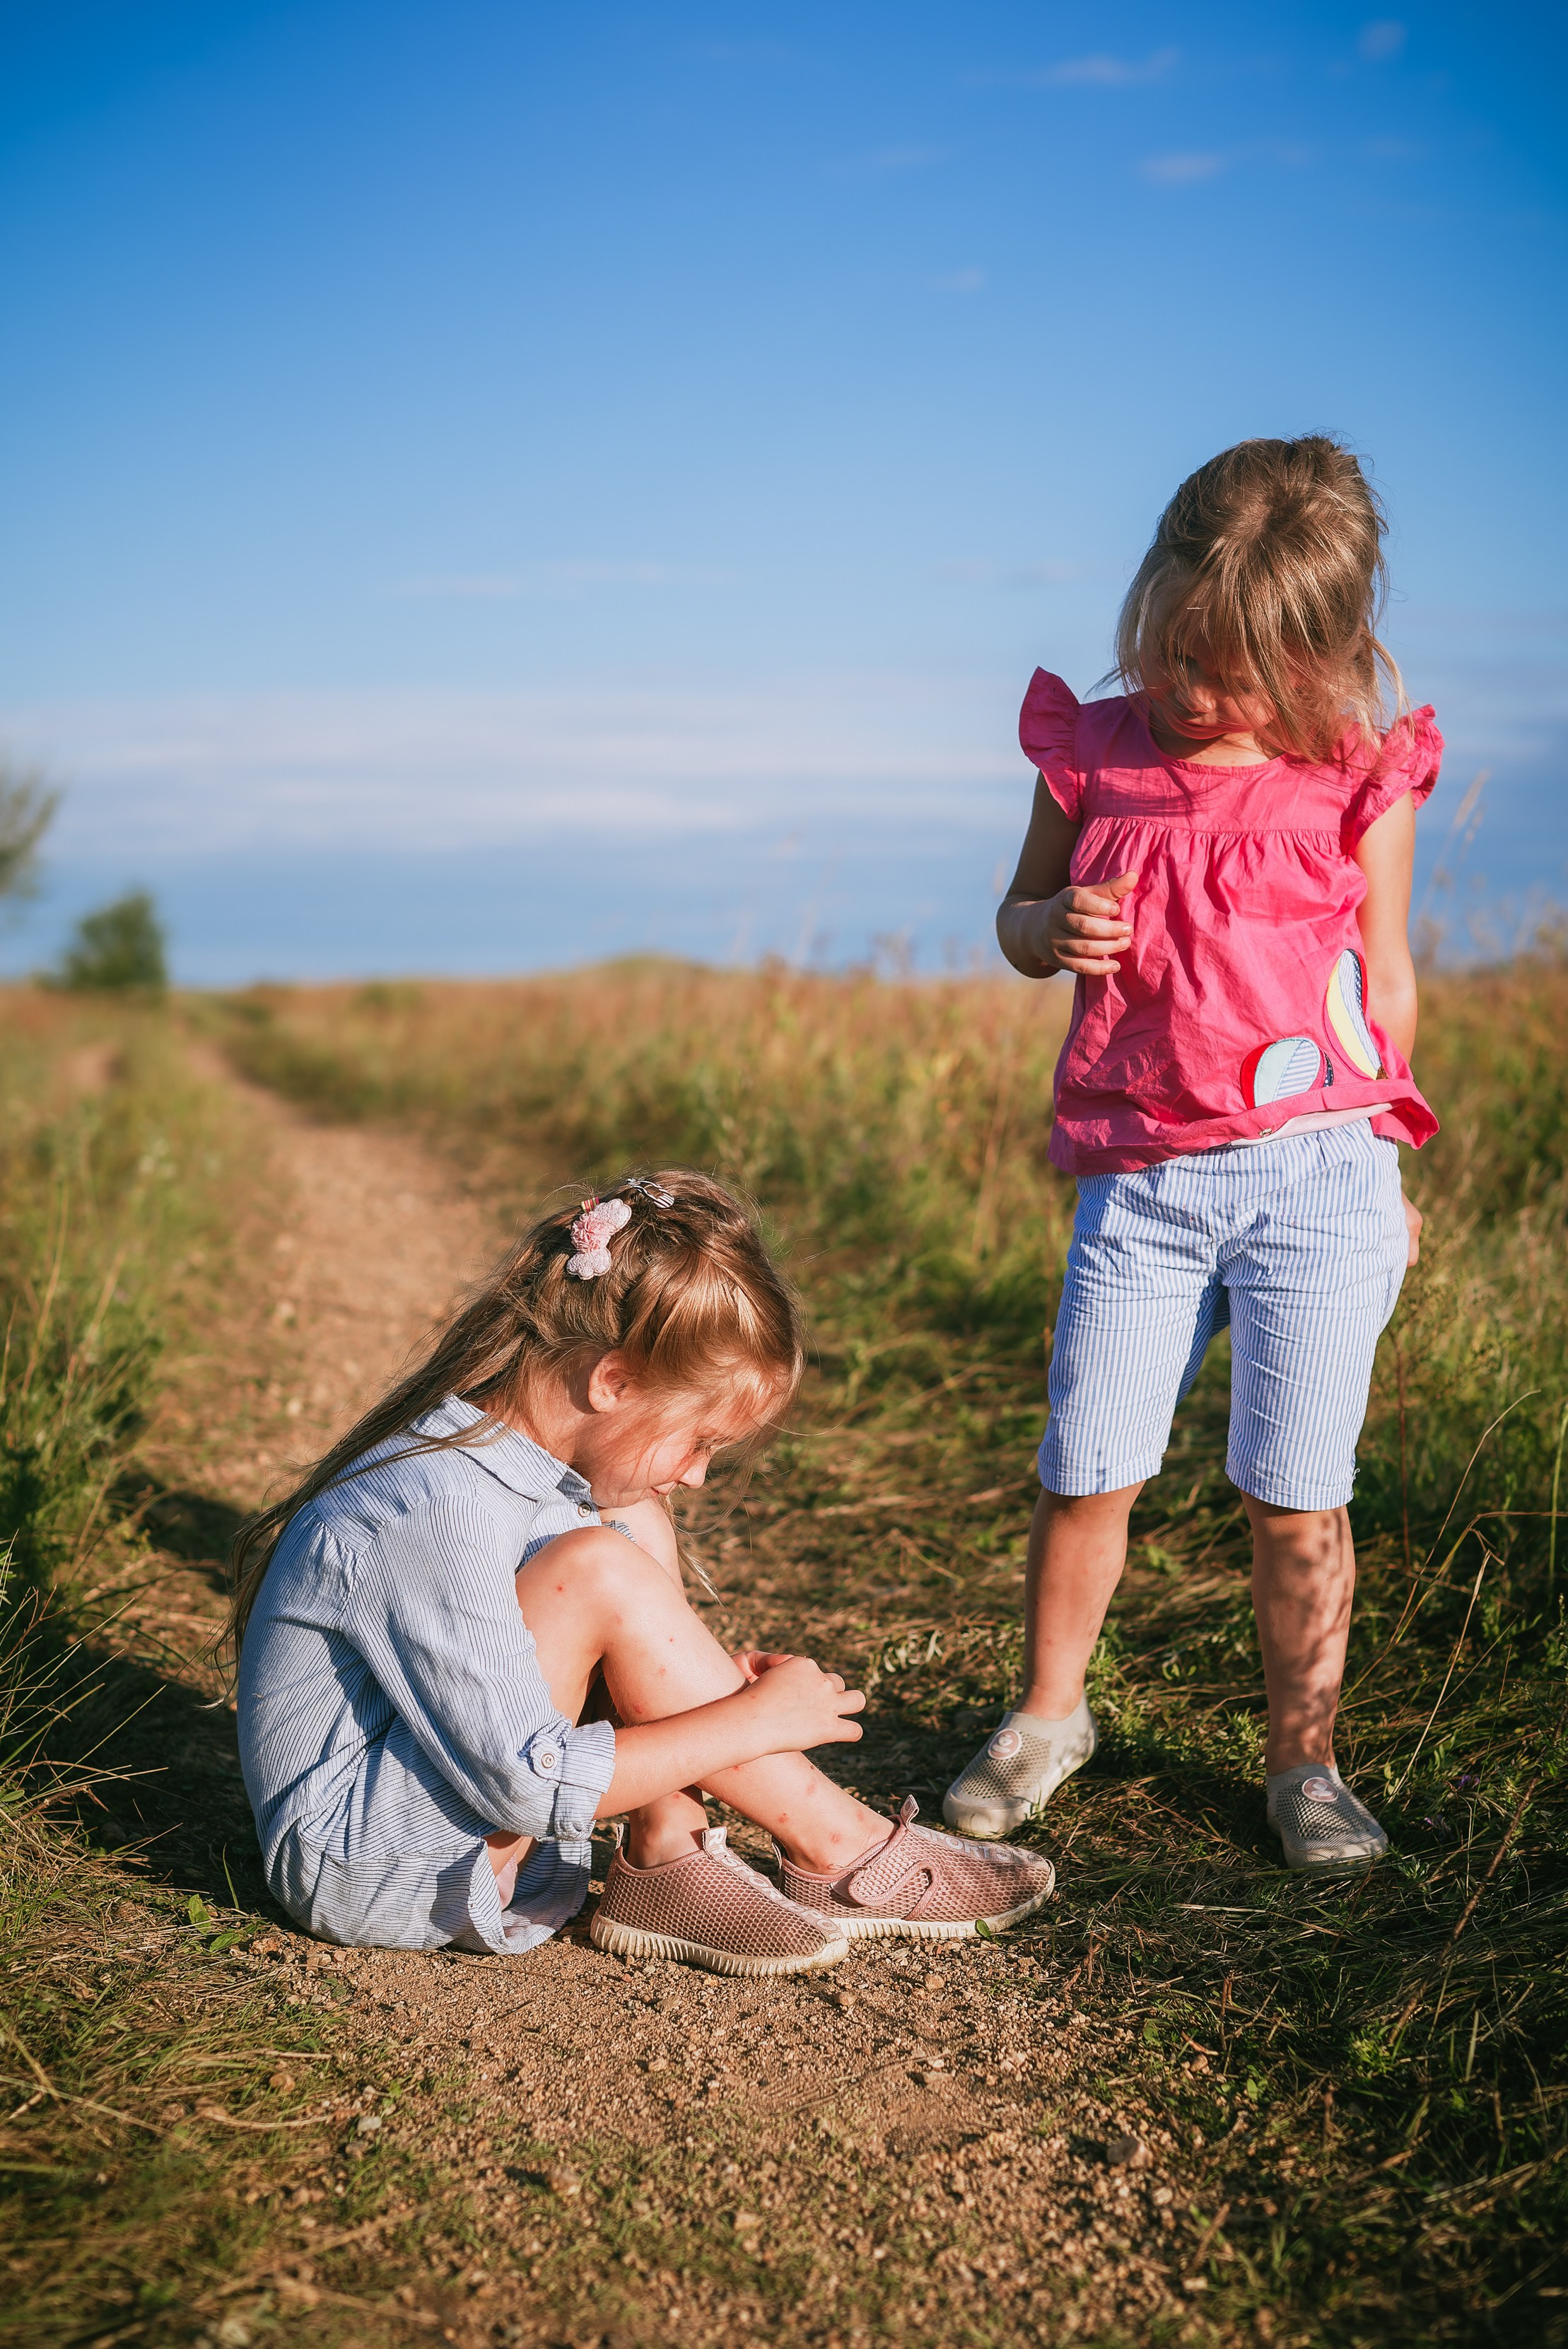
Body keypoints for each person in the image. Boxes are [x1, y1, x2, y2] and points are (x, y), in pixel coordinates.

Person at [944, 436, 1439, 1875]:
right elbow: (1016, 916)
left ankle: (1304, 1764)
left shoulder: (1355, 776)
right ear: (1144, 601)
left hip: (1321, 1177)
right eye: (1168, 653)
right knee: (1085, 1464)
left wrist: (1391, 1153)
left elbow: (1385, 977)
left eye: (1226, 675)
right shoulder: (1094, 754)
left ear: (1318, 658)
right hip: (1142, 1185)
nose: (1188, 692)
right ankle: (1046, 1715)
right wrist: (1046, 931)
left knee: (1297, 1489)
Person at [233, 1170, 1054, 1973]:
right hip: (372, 1867)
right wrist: (750, 1720)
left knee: (630, 1526)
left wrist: (681, 1687)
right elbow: (523, 1785)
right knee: (599, 1564)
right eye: (699, 1442)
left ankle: (668, 1852)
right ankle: (843, 1846)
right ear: (613, 1379)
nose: (697, 1474)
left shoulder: (521, 1473)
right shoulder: (431, 1506)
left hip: (441, 1808)